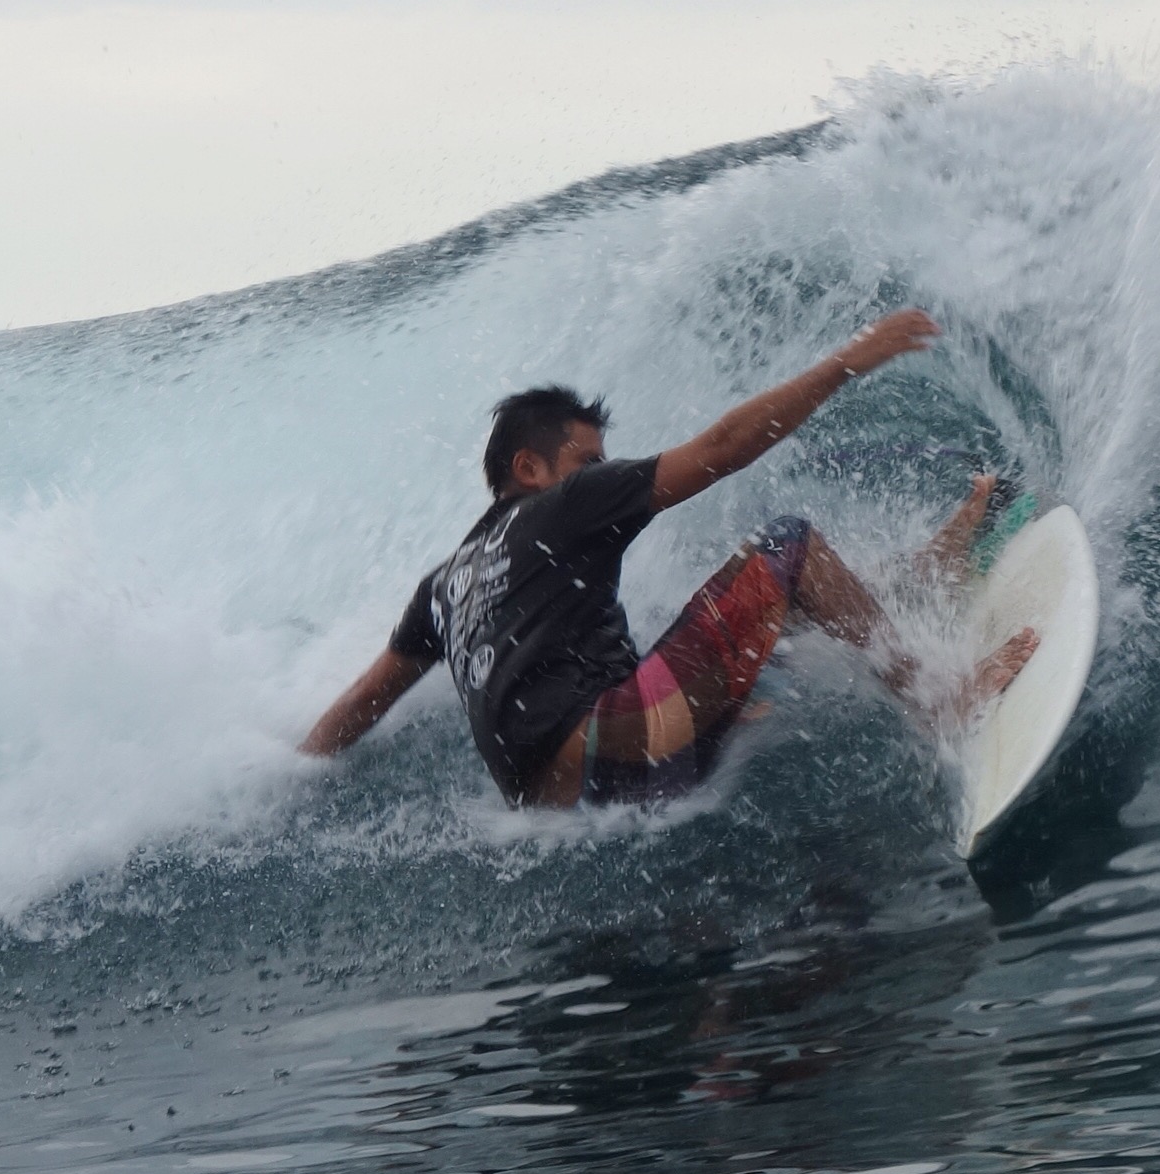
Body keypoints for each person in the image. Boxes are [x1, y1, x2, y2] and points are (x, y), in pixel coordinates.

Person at [303, 307, 1038, 808]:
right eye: (587, 459)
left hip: (552, 804)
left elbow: (359, 705)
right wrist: (848, 362)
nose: (600, 471)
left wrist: (281, 788)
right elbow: (723, 448)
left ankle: (923, 572)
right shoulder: (565, 504)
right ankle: (941, 698)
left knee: (770, 620)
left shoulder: (443, 586)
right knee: (789, 547)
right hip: (617, 745)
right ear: (528, 467)